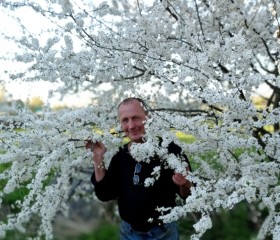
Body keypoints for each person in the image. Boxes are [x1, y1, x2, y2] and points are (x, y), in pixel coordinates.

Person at [86, 97, 193, 240]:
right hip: (129, 233)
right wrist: (98, 159)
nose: (131, 126)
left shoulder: (170, 151)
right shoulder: (120, 157)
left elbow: (189, 194)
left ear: (148, 117)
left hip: (164, 233)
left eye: (136, 118)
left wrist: (185, 184)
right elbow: (105, 194)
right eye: (125, 120)